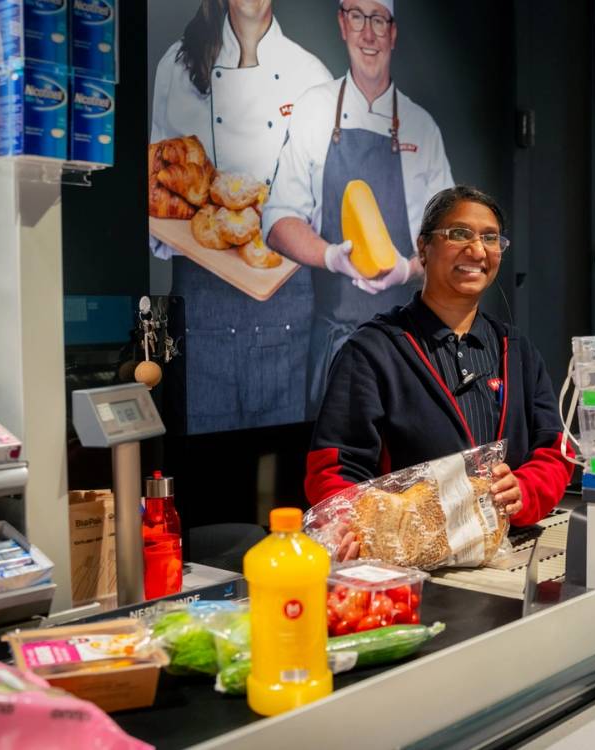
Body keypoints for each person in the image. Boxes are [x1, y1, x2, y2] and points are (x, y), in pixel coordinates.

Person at [305, 186, 573, 557]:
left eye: (490, 238)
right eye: (459, 234)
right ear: (423, 248)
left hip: (506, 557)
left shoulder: (517, 350)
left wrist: (524, 489)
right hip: (407, 567)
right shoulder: (372, 350)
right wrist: (343, 525)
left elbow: (553, 450)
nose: (477, 251)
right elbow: (334, 467)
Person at [263, 0, 454, 421]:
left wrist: (408, 267)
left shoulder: (422, 127)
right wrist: (333, 257)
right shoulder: (313, 109)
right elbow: (278, 221)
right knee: (338, 471)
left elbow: (450, 236)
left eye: (379, 20)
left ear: (393, 32)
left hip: (411, 345)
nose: (368, 34)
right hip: (335, 345)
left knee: (408, 470)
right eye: (357, 17)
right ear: (342, 24)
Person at [150, 0, 332, 433]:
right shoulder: (176, 66)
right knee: (201, 462)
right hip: (200, 297)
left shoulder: (310, 75)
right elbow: (156, 187)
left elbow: (324, 203)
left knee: (281, 460)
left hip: (284, 299)